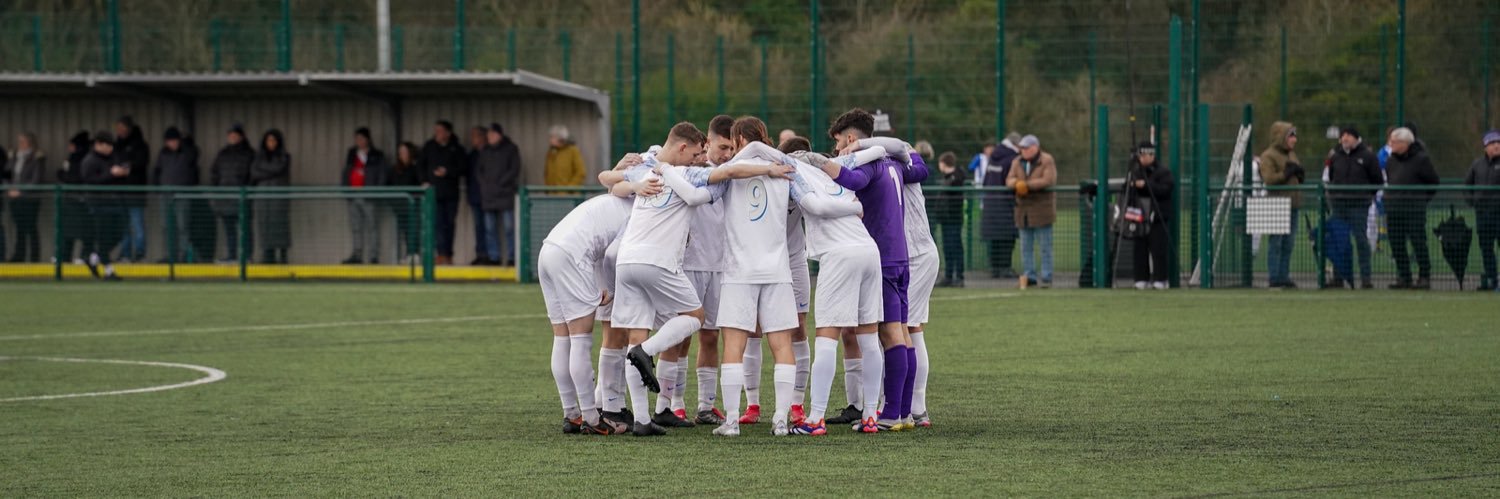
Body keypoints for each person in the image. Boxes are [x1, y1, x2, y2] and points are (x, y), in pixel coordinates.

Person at [817, 108, 928, 433]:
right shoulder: (896, 163)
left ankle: (892, 412)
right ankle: (904, 412)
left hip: (883, 257)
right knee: (903, 332)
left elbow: (852, 179)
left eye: (839, 143)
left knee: (890, 333)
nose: (838, 150)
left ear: (851, 139)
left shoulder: (871, 163)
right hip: (902, 257)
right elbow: (920, 165)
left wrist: (819, 163)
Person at [537, 187, 635, 435]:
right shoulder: (638, 211)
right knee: (580, 341)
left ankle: (571, 414)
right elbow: (612, 255)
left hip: (548, 251)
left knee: (562, 338)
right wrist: (610, 289)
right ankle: (592, 417)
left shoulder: (610, 200)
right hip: (572, 257)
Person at [1323, 127, 1384, 289]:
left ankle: (1366, 278)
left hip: (1359, 205)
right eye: (1343, 136)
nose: (1345, 139)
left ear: (1356, 138)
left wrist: (1365, 195)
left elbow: (1377, 180)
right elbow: (1331, 177)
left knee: (1361, 240)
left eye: (1348, 136)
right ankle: (1338, 277)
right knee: (1339, 241)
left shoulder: (1368, 156)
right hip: (1339, 205)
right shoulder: (1336, 156)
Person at [1384, 127, 1439, 290]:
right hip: (1394, 209)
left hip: (1414, 209)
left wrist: (1421, 200)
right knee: (1396, 243)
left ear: (1405, 143)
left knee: (1418, 241)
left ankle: (1424, 276)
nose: (1391, 144)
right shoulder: (1391, 160)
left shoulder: (1421, 159)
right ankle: (1404, 276)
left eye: (1394, 142)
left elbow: (1433, 182)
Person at [1006, 135, 1057, 288]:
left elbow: (1048, 180)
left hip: (1042, 210)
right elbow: (1009, 179)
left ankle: (1047, 277)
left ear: (1035, 147)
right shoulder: (1016, 161)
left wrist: (1026, 185)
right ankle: (1030, 276)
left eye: (1026, 148)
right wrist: (1016, 183)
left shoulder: (1047, 160)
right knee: (1025, 247)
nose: (1023, 150)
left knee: (1045, 246)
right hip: (1023, 211)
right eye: (1022, 148)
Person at [1258, 121, 1303, 289]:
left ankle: (1284, 275)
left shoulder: (1291, 154)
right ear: (1281, 137)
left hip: (1293, 204)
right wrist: (1286, 173)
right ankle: (1274, 276)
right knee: (1276, 241)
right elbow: (1269, 179)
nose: (1294, 139)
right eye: (1291, 135)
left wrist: (1299, 174)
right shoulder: (1268, 156)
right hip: (1277, 204)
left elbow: (1296, 174)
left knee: (1289, 242)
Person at [1126, 141, 1173, 290]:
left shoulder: (1163, 172)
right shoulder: (1135, 171)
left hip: (1157, 216)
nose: (1142, 158)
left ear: (1152, 155)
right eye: (1140, 155)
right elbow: (1127, 189)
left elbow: (1165, 189)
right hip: (1139, 216)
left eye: (1145, 155)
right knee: (1139, 248)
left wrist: (1146, 185)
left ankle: (1161, 279)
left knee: (1158, 248)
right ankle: (1141, 279)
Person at [421, 121, 469, 265]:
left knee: (449, 224)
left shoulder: (457, 148)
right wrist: (424, 180)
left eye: (441, 131)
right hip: (433, 194)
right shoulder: (429, 147)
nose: (438, 134)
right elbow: (421, 165)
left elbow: (464, 168)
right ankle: (440, 253)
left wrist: (447, 172)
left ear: (448, 133)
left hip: (451, 194)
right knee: (437, 224)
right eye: (436, 130)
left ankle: (448, 254)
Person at [79, 131, 124, 280]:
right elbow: (89, 181)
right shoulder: (89, 160)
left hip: (113, 203)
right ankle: (108, 271)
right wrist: (111, 174)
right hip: (98, 205)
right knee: (103, 236)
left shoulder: (112, 158)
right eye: (107, 145)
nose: (110, 148)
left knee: (118, 233)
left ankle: (93, 258)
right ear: (98, 144)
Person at [476, 123, 522, 267]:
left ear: (499, 135)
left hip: (505, 194)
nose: (489, 138)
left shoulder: (511, 149)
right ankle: (494, 257)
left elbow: (514, 169)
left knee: (509, 228)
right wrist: (485, 185)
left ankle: (512, 257)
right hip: (488, 196)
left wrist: (501, 184)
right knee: (490, 229)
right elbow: (479, 171)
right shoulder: (485, 151)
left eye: (491, 135)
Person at [151, 127, 200, 263]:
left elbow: (194, 157)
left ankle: (183, 255)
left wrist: (186, 143)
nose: (171, 144)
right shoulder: (163, 153)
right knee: (166, 226)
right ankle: (170, 255)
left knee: (183, 225)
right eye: (169, 141)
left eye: (174, 140)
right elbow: (157, 171)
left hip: (182, 194)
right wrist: (158, 187)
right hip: (165, 194)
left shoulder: (188, 152)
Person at [342, 127, 389, 265]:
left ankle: (373, 256)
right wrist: (346, 189)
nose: (359, 141)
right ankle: (357, 254)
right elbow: (347, 171)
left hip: (369, 195)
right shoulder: (352, 153)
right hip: (353, 194)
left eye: (361, 138)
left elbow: (382, 174)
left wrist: (377, 191)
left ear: (367, 139)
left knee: (372, 226)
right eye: (357, 139)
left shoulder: (377, 154)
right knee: (356, 226)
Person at [210, 125, 256, 263]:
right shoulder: (222, 153)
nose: (232, 137)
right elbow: (214, 172)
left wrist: (247, 189)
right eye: (230, 135)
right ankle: (232, 256)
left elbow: (253, 175)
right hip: (225, 197)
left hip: (242, 196)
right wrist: (217, 189)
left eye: (235, 135)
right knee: (229, 229)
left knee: (245, 228)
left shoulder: (249, 153)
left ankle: (247, 256)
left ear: (242, 136)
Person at [982, 133, 1022, 278]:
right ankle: (1005, 268)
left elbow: (986, 181)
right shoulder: (1013, 159)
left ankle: (995, 268)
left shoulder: (993, 158)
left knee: (994, 238)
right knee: (1007, 237)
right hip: (1006, 204)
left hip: (990, 203)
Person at [1465, 130, 1500, 291]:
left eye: (1498, 143)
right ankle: (1493, 279)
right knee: (1486, 248)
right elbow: (1467, 186)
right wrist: (1472, 202)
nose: (1496, 146)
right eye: (1492, 143)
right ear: (1485, 147)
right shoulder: (1477, 164)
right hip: (1483, 214)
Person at [251, 129, 292, 264]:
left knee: (280, 226)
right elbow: (254, 173)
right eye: (268, 140)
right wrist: (268, 172)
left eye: (274, 140)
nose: (271, 143)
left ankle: (282, 255)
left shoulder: (284, 157)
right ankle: (268, 255)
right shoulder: (258, 157)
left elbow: (277, 169)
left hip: (278, 198)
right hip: (263, 198)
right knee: (264, 225)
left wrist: (263, 170)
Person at [113, 116, 150, 263]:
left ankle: (140, 254)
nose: (120, 131)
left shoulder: (140, 145)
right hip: (120, 191)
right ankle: (125, 254)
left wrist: (127, 169)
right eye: (118, 128)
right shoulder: (117, 145)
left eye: (122, 128)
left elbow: (141, 163)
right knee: (124, 225)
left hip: (135, 192)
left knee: (137, 223)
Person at [5, 132, 47, 262]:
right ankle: (19, 256)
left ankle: (35, 258)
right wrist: (9, 188)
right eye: (19, 141)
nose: (20, 144)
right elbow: (7, 174)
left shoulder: (37, 158)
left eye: (23, 141)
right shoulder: (14, 157)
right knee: (19, 229)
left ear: (30, 143)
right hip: (14, 199)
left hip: (30, 199)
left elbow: (36, 179)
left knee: (31, 228)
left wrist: (21, 191)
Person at [57, 131, 92, 262]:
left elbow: (75, 178)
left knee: (86, 232)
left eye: (72, 145)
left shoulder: (83, 159)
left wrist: (62, 175)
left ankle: (85, 256)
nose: (69, 147)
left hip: (82, 201)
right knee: (66, 232)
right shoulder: (71, 158)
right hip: (70, 201)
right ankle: (65, 257)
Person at [389, 142, 426, 262]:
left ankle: (415, 253)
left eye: (405, 152)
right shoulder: (395, 169)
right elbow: (388, 184)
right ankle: (409, 253)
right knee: (405, 230)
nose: (402, 155)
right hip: (400, 206)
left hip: (413, 205)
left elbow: (422, 183)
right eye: (400, 153)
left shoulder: (416, 168)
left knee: (414, 229)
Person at [936, 152, 967, 287]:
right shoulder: (947, 178)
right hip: (946, 218)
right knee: (947, 248)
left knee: (955, 247)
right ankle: (948, 276)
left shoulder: (956, 177)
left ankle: (959, 276)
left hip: (953, 217)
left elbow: (956, 182)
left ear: (943, 163)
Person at [465, 126, 489, 264]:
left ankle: (492, 256)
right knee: (478, 227)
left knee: (490, 228)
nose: (472, 139)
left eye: (474, 136)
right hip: (475, 196)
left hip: (491, 196)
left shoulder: (489, 152)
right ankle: (481, 254)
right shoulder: (472, 155)